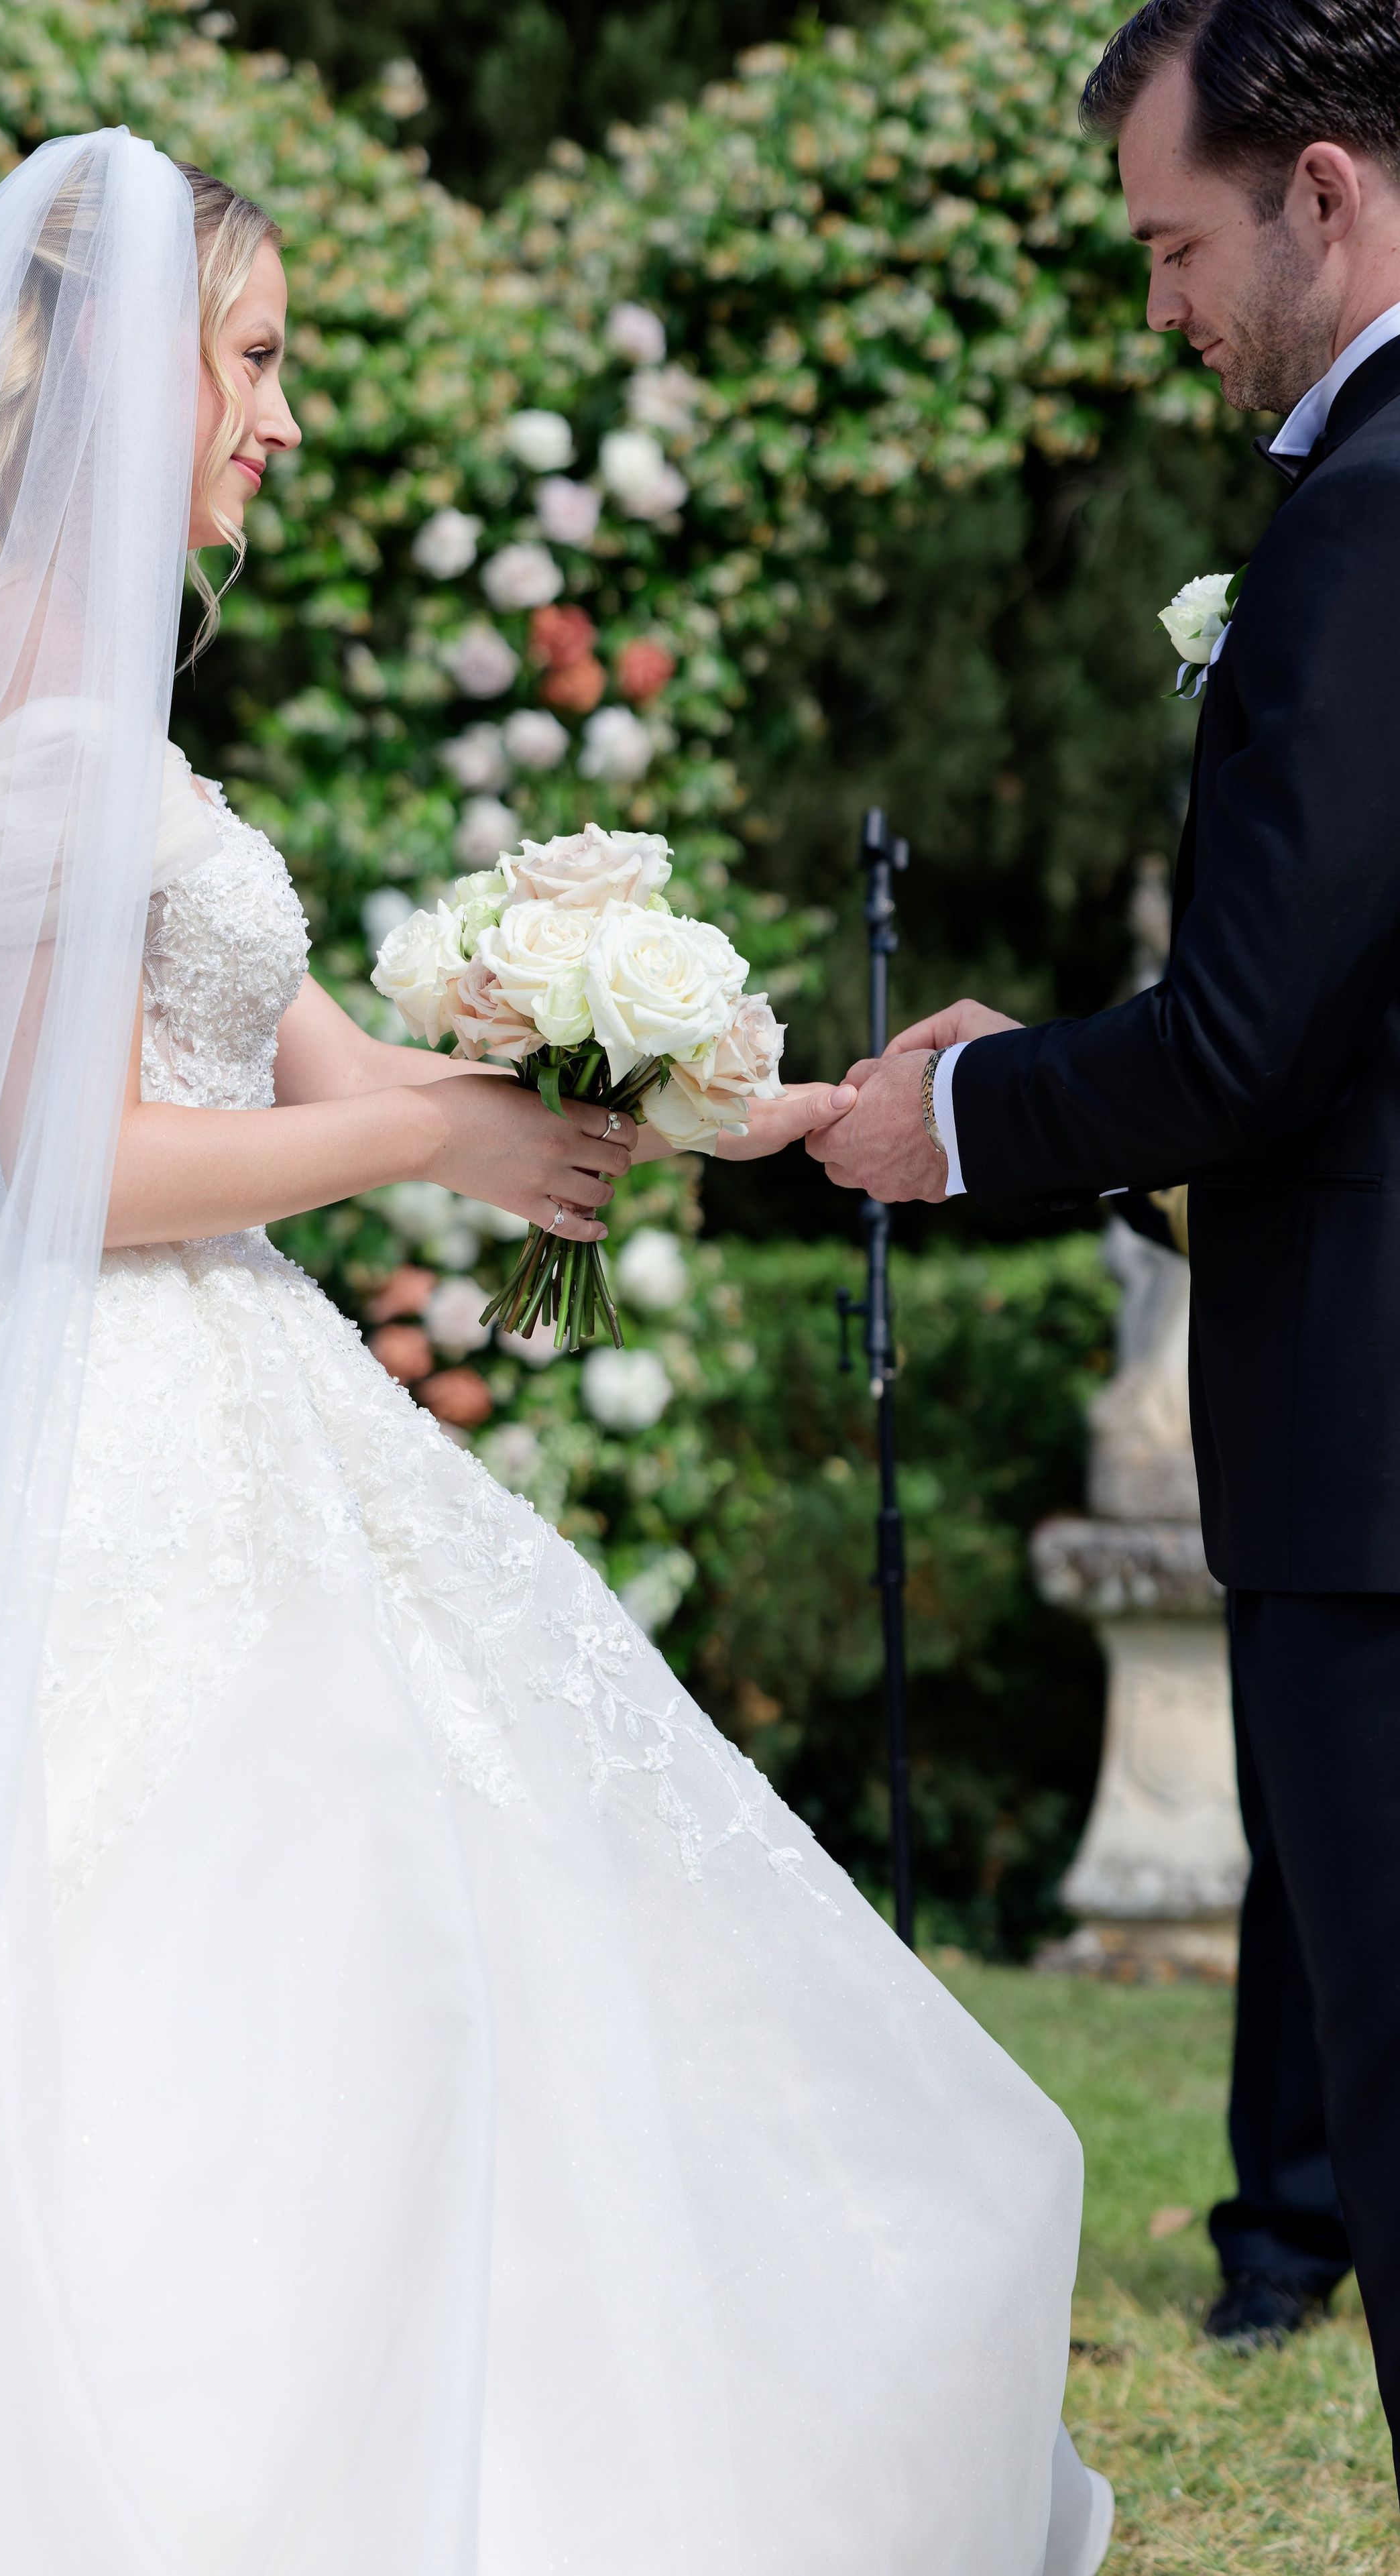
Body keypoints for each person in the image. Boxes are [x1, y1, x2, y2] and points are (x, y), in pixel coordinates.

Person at [0, 131, 1113, 2574]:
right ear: (125, 363)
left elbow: (317, 1066)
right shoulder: (4, 665)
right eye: (254, 356)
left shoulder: (93, 675)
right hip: (86, 1405)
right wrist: (428, 1142)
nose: (287, 418)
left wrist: (702, 1099)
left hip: (211, 1371)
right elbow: (75, 1173)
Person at [812, 0, 1400, 2471]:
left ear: (1329, 194)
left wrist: (957, 1116)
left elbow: (1256, 1034)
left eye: (1179, 242)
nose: (1163, 302)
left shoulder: (1371, 511)